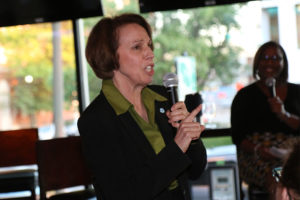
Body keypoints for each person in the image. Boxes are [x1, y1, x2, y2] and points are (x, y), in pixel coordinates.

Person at [77, 13, 207, 200]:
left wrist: (191, 138)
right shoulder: (96, 120)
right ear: (110, 57)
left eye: (149, 45)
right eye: (137, 47)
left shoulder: (163, 98)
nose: (150, 53)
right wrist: (177, 147)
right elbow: (122, 193)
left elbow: (195, 171)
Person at [230, 41, 300, 199]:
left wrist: (284, 114)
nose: (270, 62)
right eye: (265, 58)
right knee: (276, 177)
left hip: (294, 153)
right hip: (257, 155)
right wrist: (258, 150)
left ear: (283, 63)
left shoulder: (297, 92)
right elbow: (238, 136)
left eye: (276, 58)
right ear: (257, 63)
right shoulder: (244, 96)